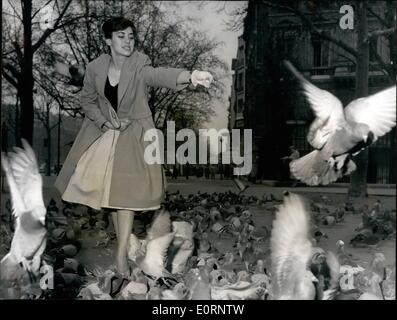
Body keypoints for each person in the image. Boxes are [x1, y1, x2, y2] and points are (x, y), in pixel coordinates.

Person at [54, 17, 213, 284]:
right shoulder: (95, 68)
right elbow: (87, 99)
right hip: (104, 135)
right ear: (108, 41)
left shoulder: (140, 63)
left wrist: (191, 75)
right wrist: (104, 120)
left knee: (124, 196)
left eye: (130, 36)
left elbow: (158, 74)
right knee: (113, 198)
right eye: (121, 36)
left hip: (135, 134)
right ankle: (127, 246)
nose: (128, 41)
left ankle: (120, 255)